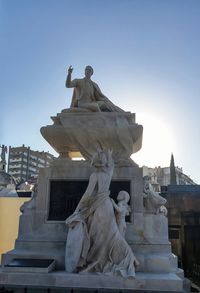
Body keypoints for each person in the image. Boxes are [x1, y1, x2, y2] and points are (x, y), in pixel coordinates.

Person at [65, 149, 138, 278]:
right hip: (108, 206)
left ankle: (96, 263)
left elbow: (87, 194)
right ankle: (120, 259)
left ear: (95, 162)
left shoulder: (95, 176)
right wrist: (108, 155)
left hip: (98, 208)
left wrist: (77, 210)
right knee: (108, 236)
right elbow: (111, 165)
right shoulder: (108, 174)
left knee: (97, 238)